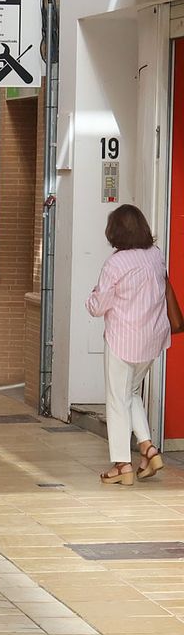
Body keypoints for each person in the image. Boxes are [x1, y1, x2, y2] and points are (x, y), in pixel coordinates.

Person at [86, 204, 175, 485]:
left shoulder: (115, 264)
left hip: (123, 339)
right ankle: (149, 448)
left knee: (116, 399)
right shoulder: (155, 256)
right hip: (151, 338)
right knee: (131, 392)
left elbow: (98, 307)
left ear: (115, 232)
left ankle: (122, 465)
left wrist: (91, 297)